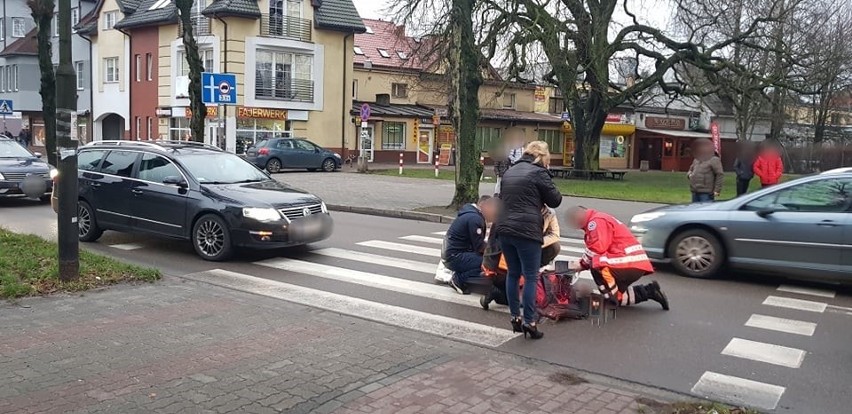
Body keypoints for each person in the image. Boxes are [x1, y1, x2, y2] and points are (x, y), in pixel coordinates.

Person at [494, 141, 562, 339]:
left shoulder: (510, 171)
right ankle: (530, 322)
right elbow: (555, 200)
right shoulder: (539, 172)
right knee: (531, 276)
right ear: (543, 157)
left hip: (505, 229)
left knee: (513, 274)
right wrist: (547, 173)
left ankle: (515, 317)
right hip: (527, 231)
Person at [566, 206, 669, 310]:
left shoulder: (596, 222)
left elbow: (598, 248)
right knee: (619, 296)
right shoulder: (599, 219)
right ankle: (650, 291)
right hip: (633, 263)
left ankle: (611, 300)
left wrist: (581, 264)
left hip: (626, 262)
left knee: (596, 264)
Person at [480, 207, 561, 310]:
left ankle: (502, 291)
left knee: (554, 247)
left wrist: (536, 243)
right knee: (518, 298)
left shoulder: (549, 213)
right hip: (503, 263)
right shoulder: (511, 211)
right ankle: (496, 291)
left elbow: (554, 234)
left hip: (526, 253)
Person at [441, 195, 497, 294]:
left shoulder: (471, 214)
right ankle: (458, 279)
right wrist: (495, 251)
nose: (493, 216)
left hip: (452, 255)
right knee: (487, 262)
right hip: (455, 257)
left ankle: (460, 273)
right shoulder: (475, 219)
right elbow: (479, 247)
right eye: (493, 212)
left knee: (485, 258)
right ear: (485, 206)